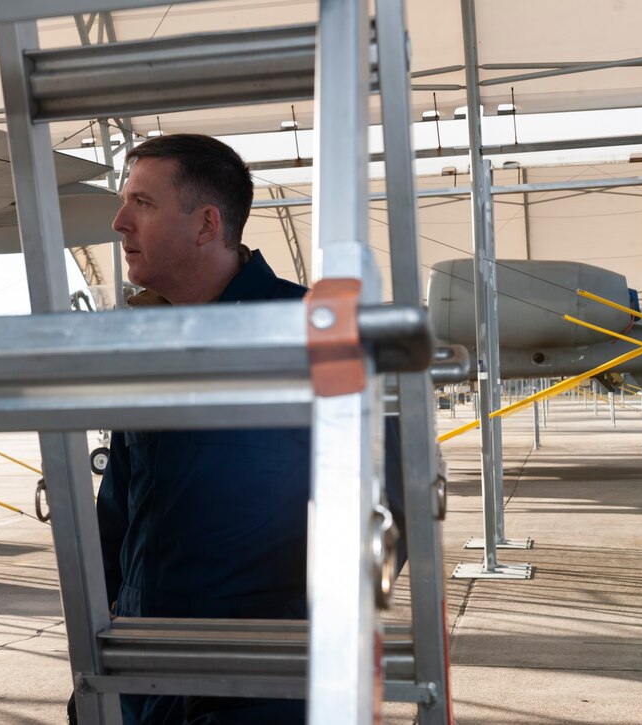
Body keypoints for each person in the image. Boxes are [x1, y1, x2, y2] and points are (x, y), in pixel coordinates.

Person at [93, 134, 405, 724]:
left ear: (206, 223)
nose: (119, 222)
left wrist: (328, 655)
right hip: (140, 671)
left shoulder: (314, 336)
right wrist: (97, 658)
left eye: (142, 203)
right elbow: (118, 510)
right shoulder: (146, 346)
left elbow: (386, 511)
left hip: (264, 681)